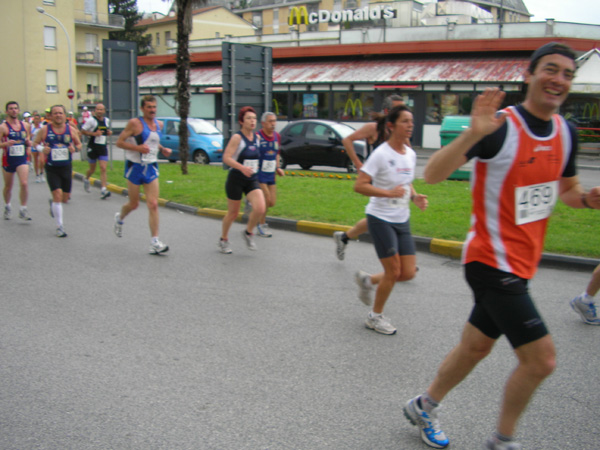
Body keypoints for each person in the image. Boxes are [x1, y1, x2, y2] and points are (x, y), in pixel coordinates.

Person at [402, 43, 600, 450]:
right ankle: (502, 441)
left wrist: (586, 198)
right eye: (550, 69)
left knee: (476, 346)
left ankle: (424, 405)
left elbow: (568, 190)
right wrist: (472, 135)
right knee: (541, 360)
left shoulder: (567, 132)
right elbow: (435, 174)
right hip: (490, 259)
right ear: (529, 75)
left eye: (567, 74)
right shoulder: (501, 127)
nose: (558, 79)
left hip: (524, 263)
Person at [353, 105, 428, 335]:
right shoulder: (381, 154)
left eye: (412, 121)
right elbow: (360, 186)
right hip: (380, 217)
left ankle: (368, 281)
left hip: (401, 218)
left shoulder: (411, 154)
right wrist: (388, 193)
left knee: (407, 273)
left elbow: (406, 183)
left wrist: (414, 196)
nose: (410, 126)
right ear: (391, 126)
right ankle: (374, 317)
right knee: (394, 271)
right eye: (405, 121)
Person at [334, 94, 405, 260]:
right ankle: (400, 257)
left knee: (383, 216)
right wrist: (359, 164)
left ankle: (344, 237)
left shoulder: (399, 132)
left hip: (393, 180)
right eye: (397, 110)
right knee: (385, 215)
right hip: (376, 181)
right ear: (387, 111)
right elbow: (347, 140)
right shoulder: (373, 128)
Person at [113, 95, 172, 254]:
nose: (152, 110)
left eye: (154, 107)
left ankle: (155, 242)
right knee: (134, 204)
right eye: (149, 107)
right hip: (135, 166)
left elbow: (153, 140)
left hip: (151, 166)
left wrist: (162, 149)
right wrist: (137, 148)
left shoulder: (159, 124)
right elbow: (119, 142)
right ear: (142, 109)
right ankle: (120, 218)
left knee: (153, 203)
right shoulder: (135, 123)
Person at [218, 106, 266, 254]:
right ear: (241, 121)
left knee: (260, 208)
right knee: (233, 213)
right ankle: (223, 239)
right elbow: (226, 158)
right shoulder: (237, 138)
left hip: (251, 179)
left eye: (254, 118)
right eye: (248, 118)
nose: (252, 121)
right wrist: (241, 167)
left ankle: (248, 232)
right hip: (236, 179)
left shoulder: (257, 138)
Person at [33, 104, 82, 237]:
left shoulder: (70, 130)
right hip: (52, 167)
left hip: (66, 167)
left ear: (65, 115)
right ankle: (59, 226)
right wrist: (42, 149)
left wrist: (75, 149)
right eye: (55, 113)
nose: (58, 115)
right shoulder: (44, 129)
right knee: (58, 195)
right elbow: (35, 144)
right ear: (51, 116)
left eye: (60, 113)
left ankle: (53, 203)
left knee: (64, 198)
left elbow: (79, 144)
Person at [1, 101, 32, 221]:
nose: (13, 110)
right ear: (6, 111)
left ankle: (23, 208)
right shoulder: (3, 127)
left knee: (24, 183)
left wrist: (28, 146)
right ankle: (7, 206)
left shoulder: (26, 125)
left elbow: (28, 138)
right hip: (8, 159)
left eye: (15, 108)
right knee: (8, 186)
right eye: (11, 109)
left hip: (22, 158)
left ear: (18, 111)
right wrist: (5, 143)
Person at [256, 111, 284, 237]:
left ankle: (252, 202)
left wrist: (278, 167)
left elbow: (277, 153)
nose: (273, 124)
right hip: (259, 174)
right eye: (270, 121)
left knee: (272, 202)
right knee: (266, 199)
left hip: (271, 173)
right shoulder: (257, 136)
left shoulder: (277, 136)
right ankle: (261, 225)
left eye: (274, 121)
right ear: (263, 123)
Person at [81, 103, 113, 199]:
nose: (100, 111)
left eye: (101, 109)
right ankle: (86, 179)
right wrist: (94, 133)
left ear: (104, 111)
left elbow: (107, 131)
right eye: (98, 109)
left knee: (103, 168)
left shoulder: (107, 120)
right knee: (92, 169)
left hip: (102, 146)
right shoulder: (91, 121)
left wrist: (109, 133)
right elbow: (82, 131)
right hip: (93, 146)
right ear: (95, 111)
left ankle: (103, 189)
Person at [30, 113, 45, 183]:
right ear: (33, 120)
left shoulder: (42, 127)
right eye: (35, 119)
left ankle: (42, 173)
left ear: (40, 120)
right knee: (35, 160)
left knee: (42, 161)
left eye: (38, 119)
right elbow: (28, 136)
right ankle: (37, 175)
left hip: (41, 145)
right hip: (34, 145)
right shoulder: (31, 127)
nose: (36, 120)